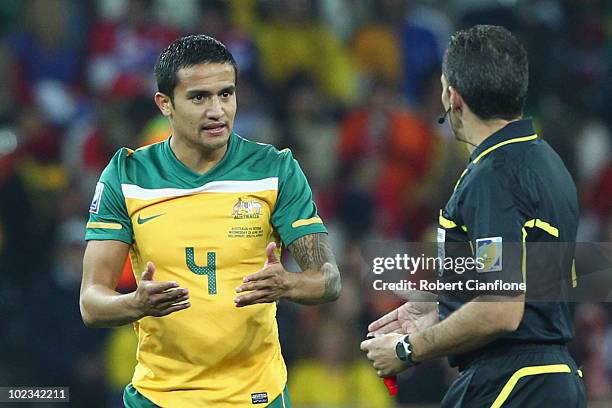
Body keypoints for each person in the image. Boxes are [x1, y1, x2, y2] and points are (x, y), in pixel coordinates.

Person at [80, 34, 341, 408]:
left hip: (256, 396)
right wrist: (134, 304)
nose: (217, 110)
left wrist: (289, 283)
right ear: (165, 104)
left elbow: (329, 279)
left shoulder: (274, 170)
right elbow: (91, 301)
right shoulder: (128, 175)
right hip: (159, 397)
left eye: (226, 94)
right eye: (199, 97)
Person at [360, 25, 586, 407]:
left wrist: (407, 349)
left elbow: (500, 310)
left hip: (512, 384)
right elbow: (522, 284)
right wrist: (444, 307)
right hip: (551, 379)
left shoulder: (493, 176)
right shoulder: (545, 162)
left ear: (453, 97)